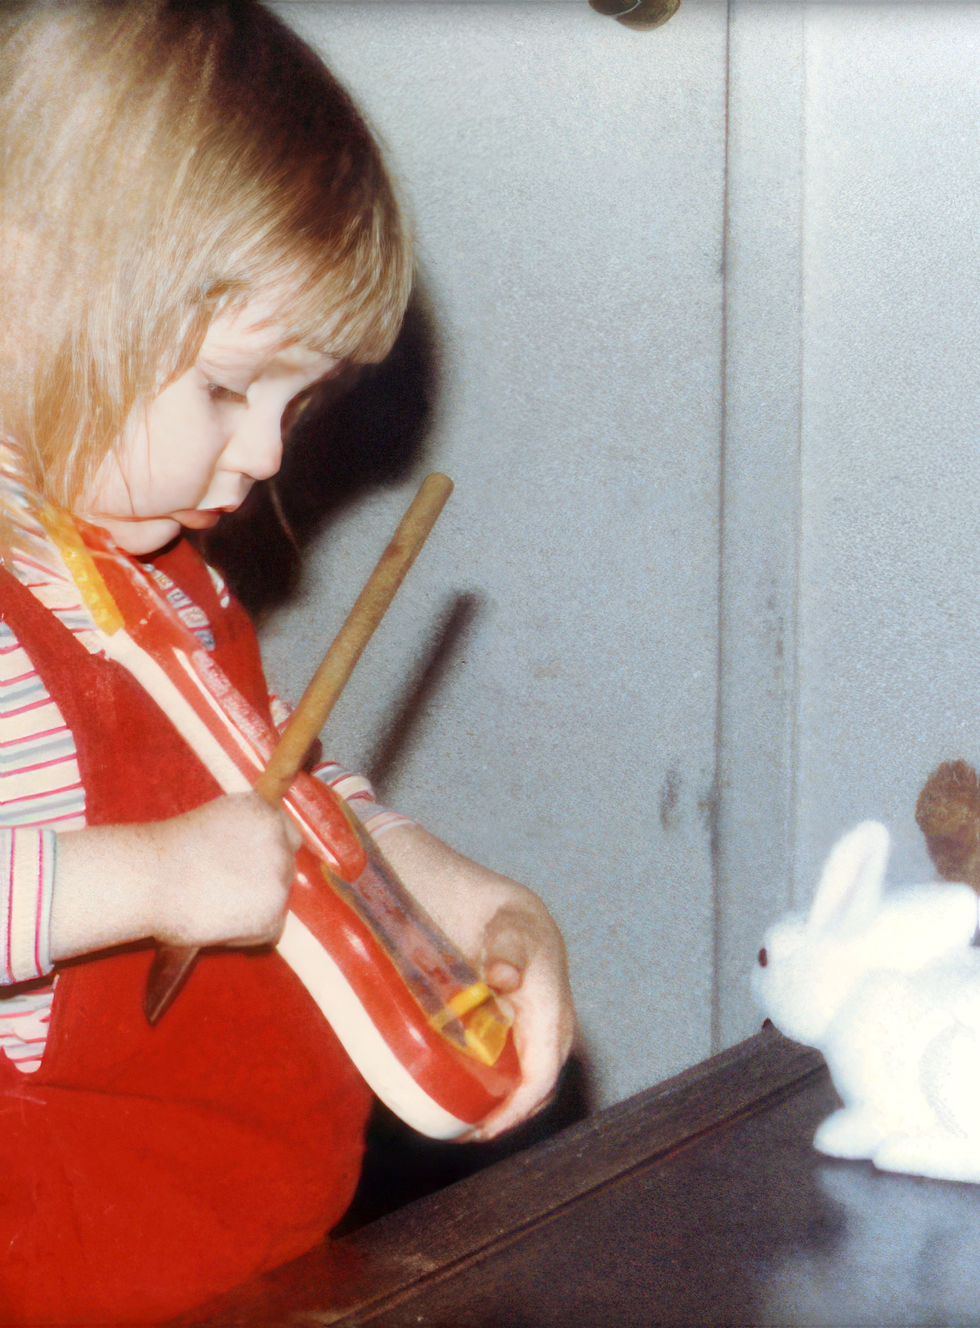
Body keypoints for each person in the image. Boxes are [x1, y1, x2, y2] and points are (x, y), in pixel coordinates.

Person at [0, 2, 575, 1322]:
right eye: (225, 390)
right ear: (20, 289)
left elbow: (293, 803)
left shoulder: (162, 586)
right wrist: (149, 878)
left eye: (295, 403)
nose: (266, 454)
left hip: (257, 1258)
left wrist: (469, 901)